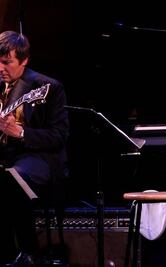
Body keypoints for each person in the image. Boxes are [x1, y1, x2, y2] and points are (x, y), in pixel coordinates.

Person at [0, 30, 69, 266]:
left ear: (24, 60)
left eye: (7, 62)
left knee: (11, 180)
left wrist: (19, 132)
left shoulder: (47, 87)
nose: (1, 68)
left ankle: (27, 253)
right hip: (6, 156)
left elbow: (58, 137)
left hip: (38, 158)